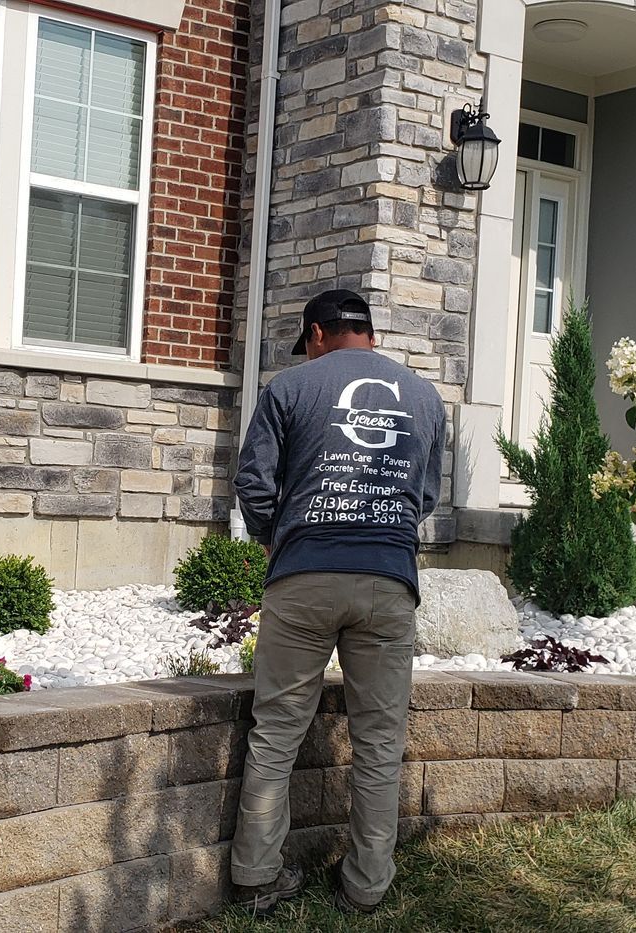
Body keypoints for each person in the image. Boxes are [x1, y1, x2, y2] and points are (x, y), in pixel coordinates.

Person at [228, 288, 448, 916]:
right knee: (380, 742)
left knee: (275, 734)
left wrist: (281, 538)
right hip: (388, 582)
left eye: (309, 341)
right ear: (370, 335)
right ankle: (366, 885)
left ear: (319, 333)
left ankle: (255, 877)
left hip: (303, 579)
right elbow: (426, 494)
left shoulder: (289, 389)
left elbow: (253, 480)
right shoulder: (426, 397)